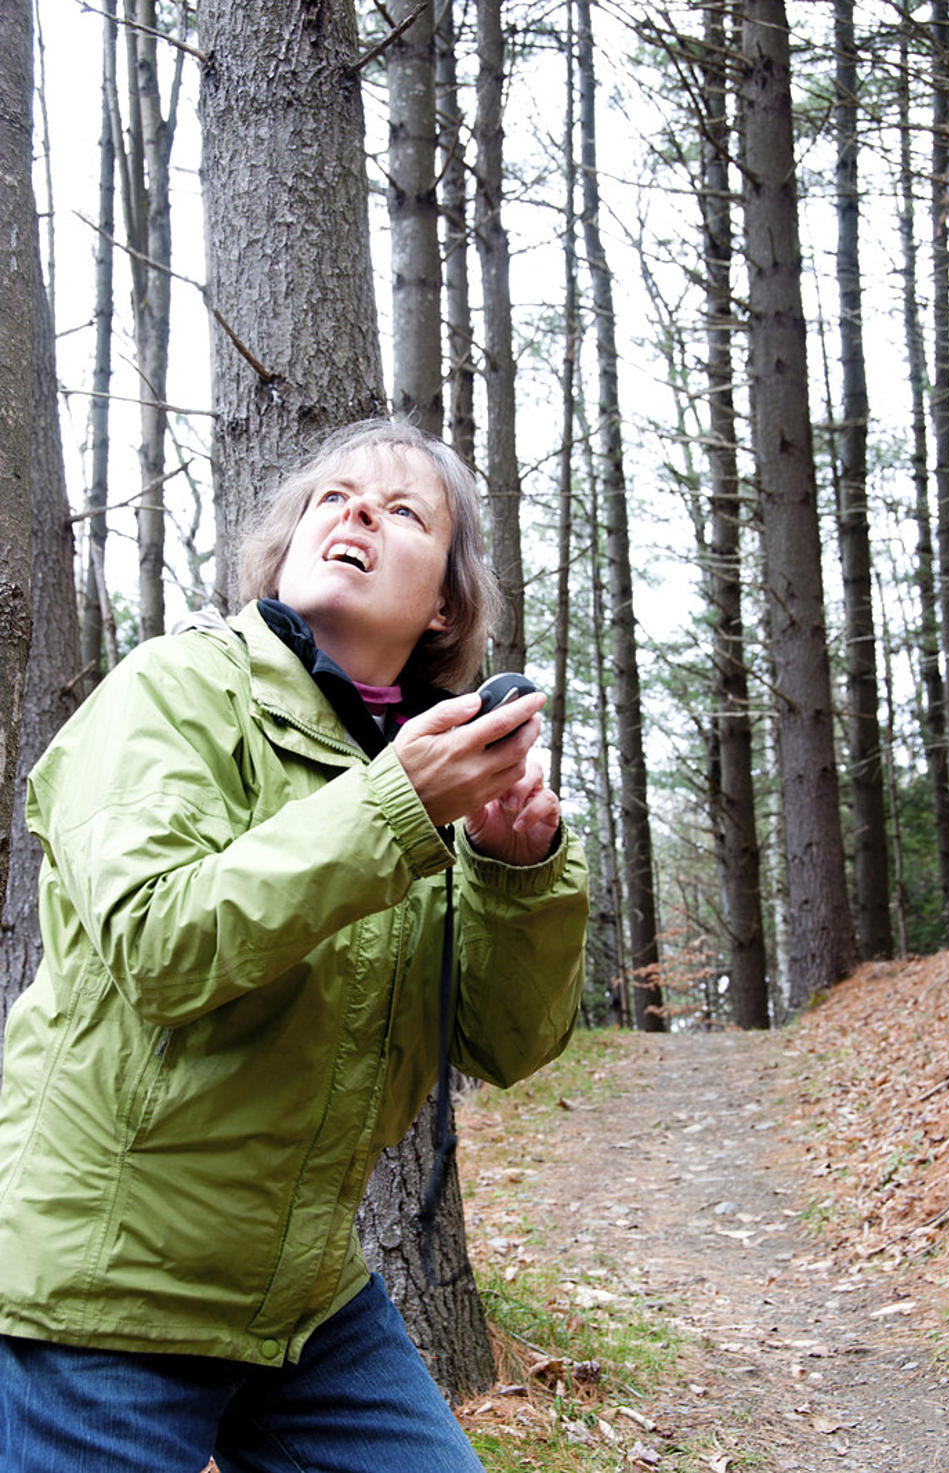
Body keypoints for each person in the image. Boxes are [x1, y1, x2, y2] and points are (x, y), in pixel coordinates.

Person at [0, 419, 589, 1473]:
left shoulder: (428, 769)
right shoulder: (173, 690)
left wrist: (515, 874)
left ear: (445, 605)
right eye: (334, 497)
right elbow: (158, 944)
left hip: (302, 1300)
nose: (358, 510)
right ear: (284, 550)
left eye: (403, 511)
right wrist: (397, 806)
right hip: (99, 1293)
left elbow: (507, 1045)